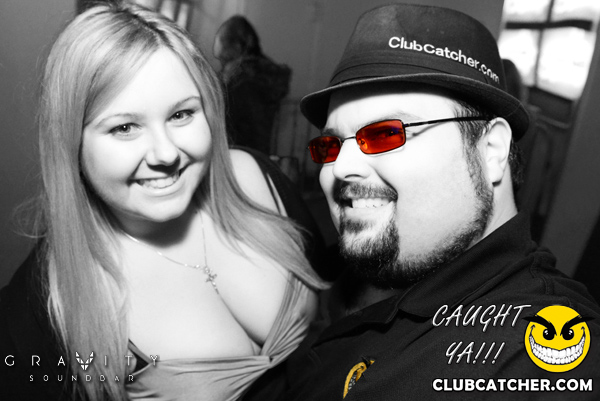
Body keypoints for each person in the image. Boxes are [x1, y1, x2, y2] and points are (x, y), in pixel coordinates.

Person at [275, 4, 600, 400]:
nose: (339, 168)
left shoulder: (541, 353)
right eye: (330, 145)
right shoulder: (370, 269)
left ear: (491, 150)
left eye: (385, 134)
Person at [0, 4, 325, 400]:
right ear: (71, 143)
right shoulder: (43, 306)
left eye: (181, 114)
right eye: (124, 127)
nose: (166, 153)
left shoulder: (256, 177)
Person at [213, 15, 291, 155]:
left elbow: (225, 124)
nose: (222, 67)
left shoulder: (241, 82)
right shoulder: (262, 76)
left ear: (236, 47)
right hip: (257, 155)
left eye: (224, 60)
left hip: (235, 154)